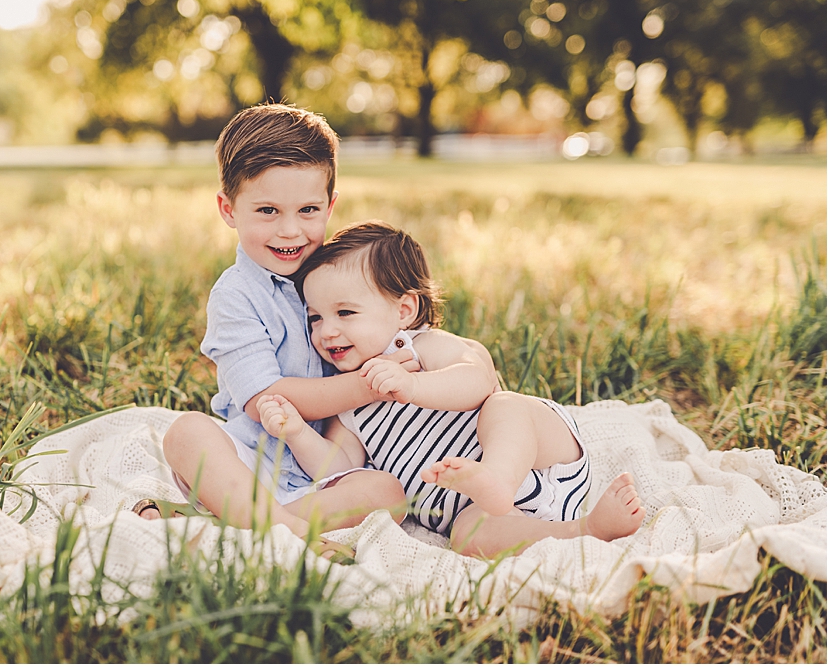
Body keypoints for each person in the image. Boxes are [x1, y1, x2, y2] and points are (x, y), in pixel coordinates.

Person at [256, 221, 646, 558]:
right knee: (468, 536)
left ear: (404, 311)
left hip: (537, 458)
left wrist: (412, 383)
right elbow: (340, 467)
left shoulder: (418, 347)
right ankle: (583, 532)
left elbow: (477, 378)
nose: (327, 330)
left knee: (505, 406)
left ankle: (497, 476)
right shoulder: (347, 402)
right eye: (315, 318)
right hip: (484, 511)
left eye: (345, 313)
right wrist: (297, 432)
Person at [149, 105, 409, 560]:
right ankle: (287, 531)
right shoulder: (235, 296)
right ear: (228, 210)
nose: (290, 230)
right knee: (187, 434)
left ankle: (254, 521)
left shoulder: (341, 276)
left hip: (325, 466)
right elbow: (266, 396)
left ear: (331, 206)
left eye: (308, 210)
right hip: (247, 459)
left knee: (388, 492)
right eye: (267, 210)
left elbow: (397, 324)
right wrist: (370, 385)